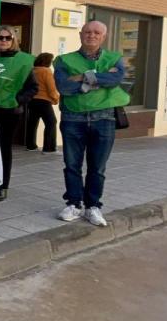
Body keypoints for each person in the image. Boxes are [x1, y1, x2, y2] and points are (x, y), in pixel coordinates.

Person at [54, 21, 128, 227]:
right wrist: (99, 79)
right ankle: (74, 204)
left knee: (97, 167)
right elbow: (64, 86)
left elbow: (116, 79)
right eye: (87, 32)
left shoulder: (115, 58)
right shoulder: (63, 60)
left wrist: (83, 78)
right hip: (73, 118)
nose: (91, 35)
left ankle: (93, 206)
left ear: (103, 37)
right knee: (72, 165)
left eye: (97, 32)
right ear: (80, 35)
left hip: (104, 118)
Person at [0, 25, 37, 201]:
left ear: (13, 40)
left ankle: (3, 185)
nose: (3, 41)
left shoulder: (24, 60)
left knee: (3, 148)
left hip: (9, 111)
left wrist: (18, 99)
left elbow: (32, 87)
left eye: (7, 38)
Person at [26, 52, 60, 153]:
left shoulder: (32, 70)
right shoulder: (46, 71)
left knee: (32, 122)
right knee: (51, 122)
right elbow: (51, 88)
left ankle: (30, 146)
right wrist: (56, 99)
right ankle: (49, 148)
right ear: (47, 61)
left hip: (32, 99)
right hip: (44, 100)